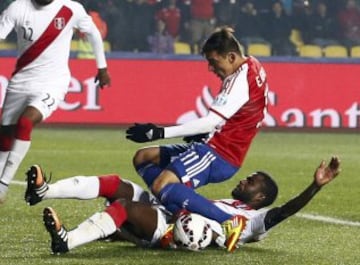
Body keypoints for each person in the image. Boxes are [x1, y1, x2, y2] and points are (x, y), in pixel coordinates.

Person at [125, 26, 269, 251]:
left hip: (218, 153)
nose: (211, 68)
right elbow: (254, 111)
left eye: (213, 61)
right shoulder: (253, 65)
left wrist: (157, 132)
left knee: (162, 183)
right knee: (143, 157)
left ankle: (228, 221)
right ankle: (176, 210)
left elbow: (210, 121)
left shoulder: (238, 81)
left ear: (231, 57)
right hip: (214, 143)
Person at [24, 156, 340, 253]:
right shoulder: (228, 201)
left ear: (260, 196)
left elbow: (286, 211)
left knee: (125, 206)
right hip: (168, 211)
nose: (244, 180)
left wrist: (315, 186)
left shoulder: (255, 219)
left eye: (252, 181)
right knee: (115, 183)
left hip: (172, 230)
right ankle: (44, 191)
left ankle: (67, 241)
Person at [0, 0, 111, 203]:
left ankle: (3, 184)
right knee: (5, 135)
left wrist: (102, 67)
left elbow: (94, 34)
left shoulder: (71, 9)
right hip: (21, 81)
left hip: (53, 82)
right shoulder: (18, 8)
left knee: (26, 122)